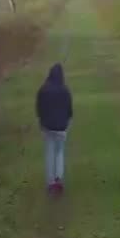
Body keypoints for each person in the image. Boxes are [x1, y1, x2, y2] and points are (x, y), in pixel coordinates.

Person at [35, 62, 73, 196]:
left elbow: (39, 108)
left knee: (49, 153)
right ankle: (58, 179)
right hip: (61, 127)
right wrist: (68, 122)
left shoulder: (43, 90)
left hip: (47, 127)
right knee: (59, 153)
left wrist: (41, 121)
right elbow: (69, 111)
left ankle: (50, 182)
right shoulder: (65, 90)